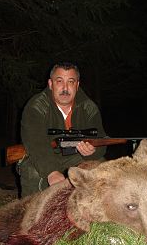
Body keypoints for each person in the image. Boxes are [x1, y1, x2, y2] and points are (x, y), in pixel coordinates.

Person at [19, 62, 107, 197]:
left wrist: (93, 151)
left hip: (75, 157)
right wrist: (51, 172)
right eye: (59, 81)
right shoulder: (36, 107)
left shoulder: (89, 108)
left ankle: (93, 212)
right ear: (50, 84)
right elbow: (36, 144)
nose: (65, 88)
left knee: (100, 167)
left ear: (77, 85)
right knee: (32, 172)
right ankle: (29, 212)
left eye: (70, 82)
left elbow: (101, 140)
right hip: (42, 155)